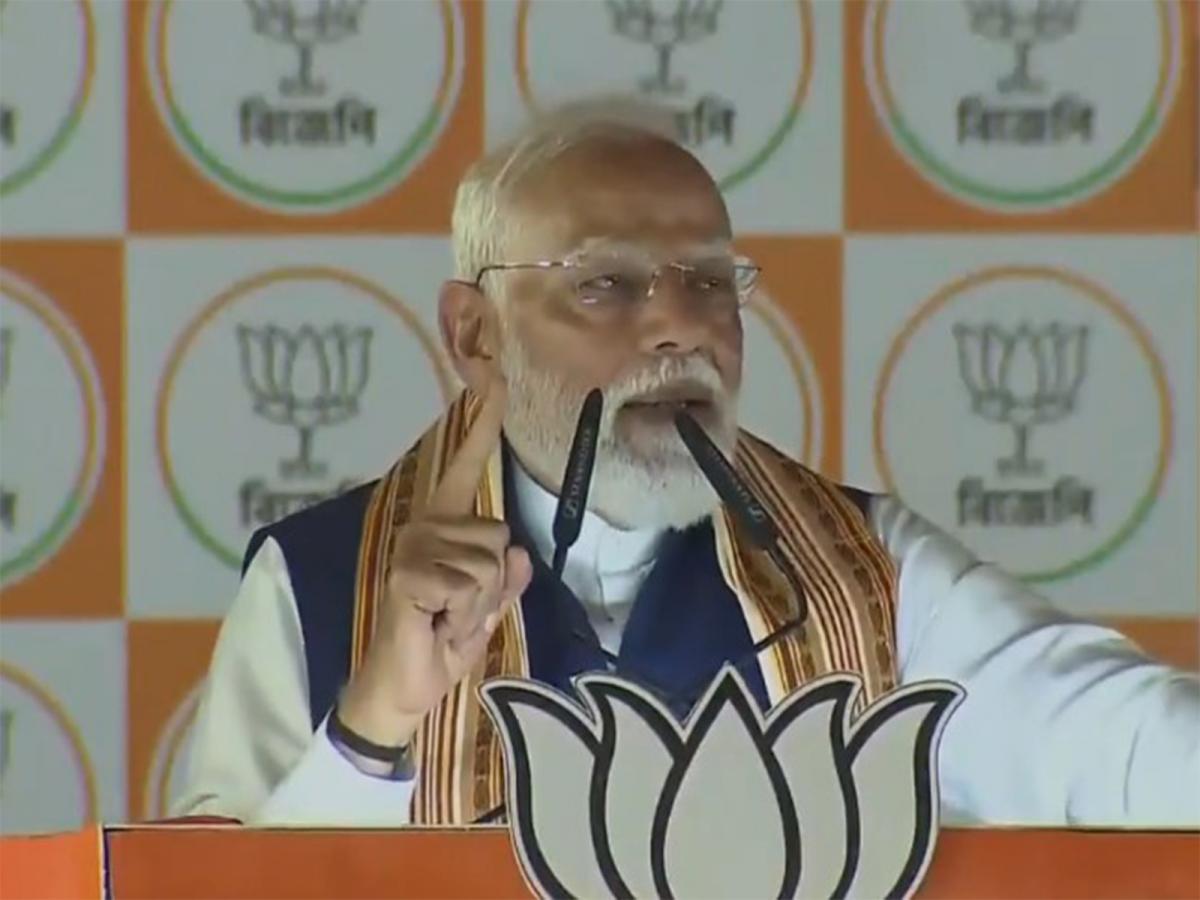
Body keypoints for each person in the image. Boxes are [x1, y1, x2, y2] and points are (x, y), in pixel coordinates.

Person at [173, 102, 1199, 829]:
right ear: (477, 334)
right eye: (605, 284)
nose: (679, 327)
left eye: (709, 282)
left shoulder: (869, 573)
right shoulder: (316, 583)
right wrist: (374, 727)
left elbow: (1127, 746)